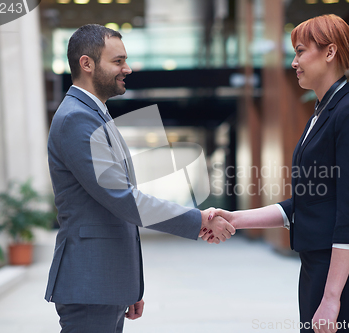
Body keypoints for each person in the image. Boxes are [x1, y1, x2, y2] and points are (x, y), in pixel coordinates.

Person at [45, 24, 235, 333]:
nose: (128, 68)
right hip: (91, 283)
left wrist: (128, 286)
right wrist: (198, 219)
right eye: (118, 61)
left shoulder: (97, 114)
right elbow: (122, 197)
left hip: (105, 283)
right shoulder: (76, 118)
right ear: (87, 64)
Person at [206, 14, 349, 333]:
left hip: (340, 271)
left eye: (300, 51)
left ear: (329, 53)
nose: (294, 62)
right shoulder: (322, 112)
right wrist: (236, 218)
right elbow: (307, 202)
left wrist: (331, 297)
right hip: (319, 263)